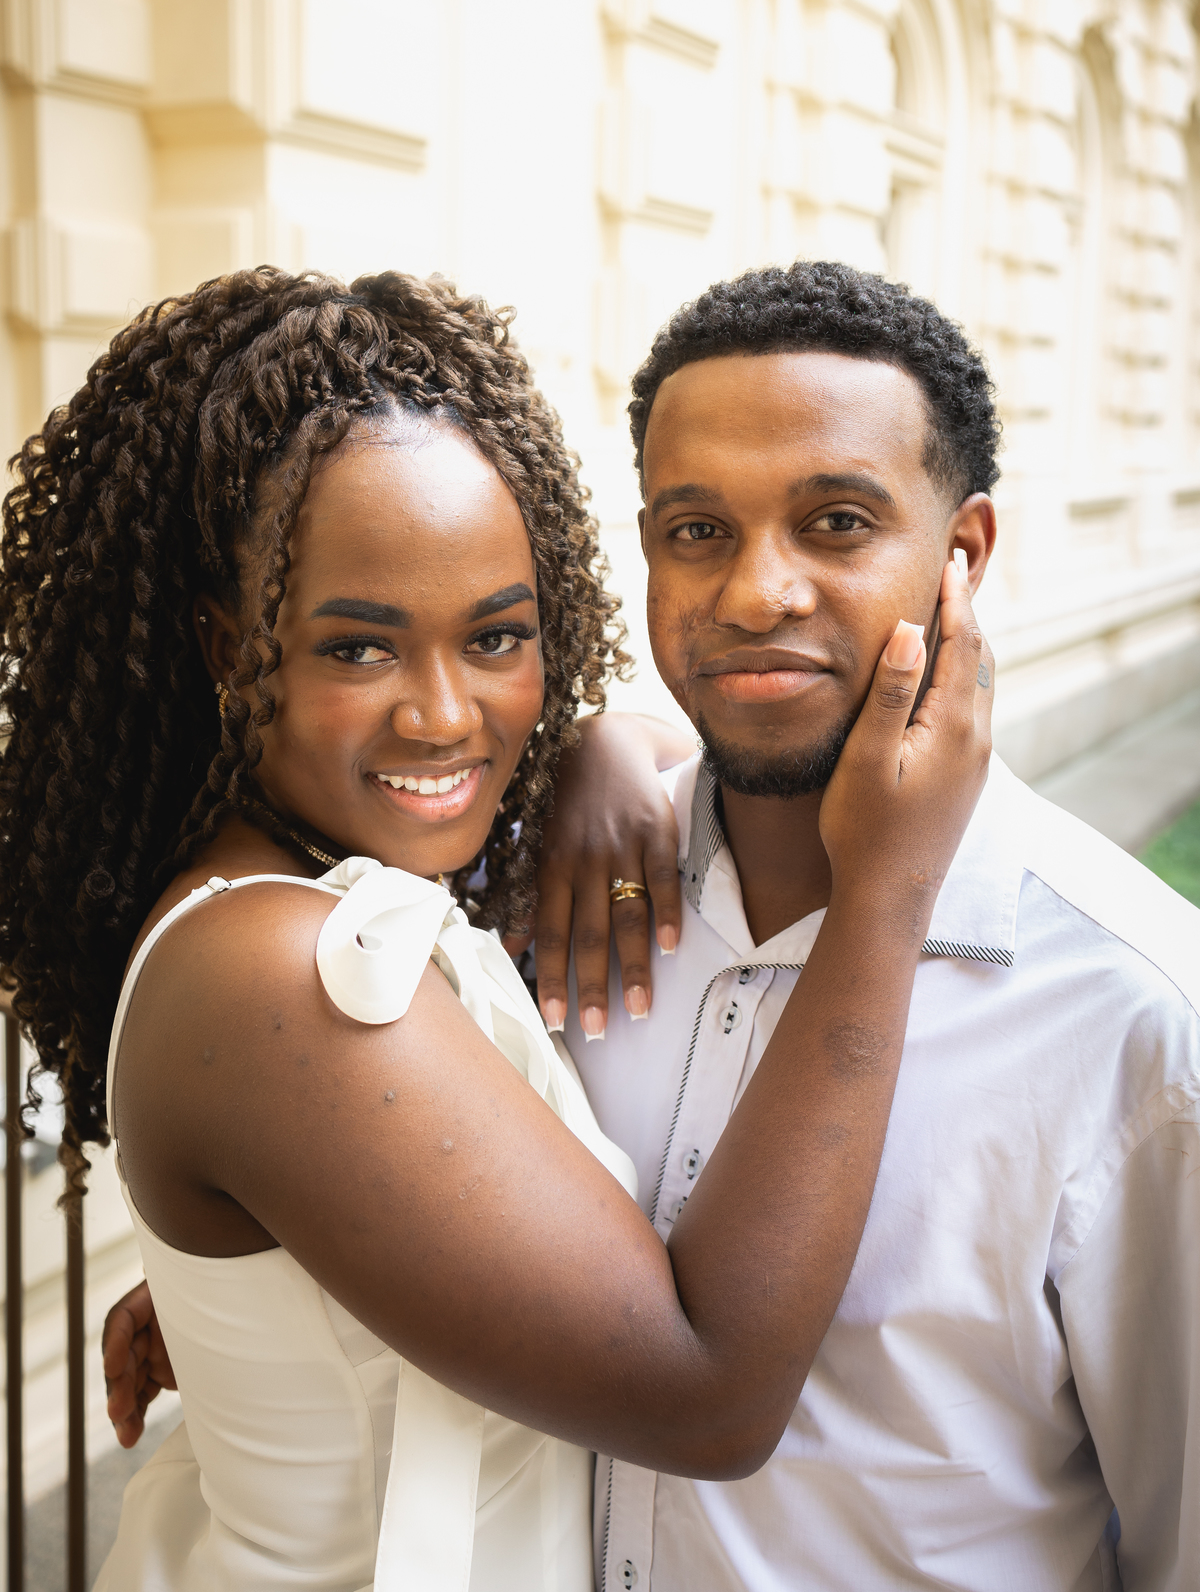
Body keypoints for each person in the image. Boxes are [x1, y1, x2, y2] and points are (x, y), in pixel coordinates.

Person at [1, 266, 992, 1590]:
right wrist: (882, 898)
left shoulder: (324, 888)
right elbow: (707, 1393)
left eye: (497, 637)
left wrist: (607, 745)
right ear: (228, 649)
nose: (445, 716)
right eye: (357, 648)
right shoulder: (280, 973)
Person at [525, 261, 1199, 1591]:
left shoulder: (1137, 1017)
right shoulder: (574, 904)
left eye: (835, 522)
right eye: (696, 529)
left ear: (965, 554)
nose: (755, 593)